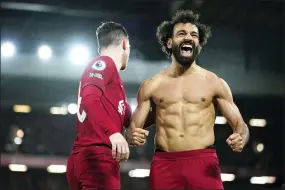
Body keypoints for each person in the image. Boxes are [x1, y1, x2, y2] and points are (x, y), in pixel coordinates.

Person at [126, 10, 250, 190]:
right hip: (165, 163)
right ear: (169, 42)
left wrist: (241, 138)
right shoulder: (152, 85)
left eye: (194, 35)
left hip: (203, 162)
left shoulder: (214, 83)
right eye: (181, 34)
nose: (188, 38)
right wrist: (131, 136)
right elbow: (132, 130)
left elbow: (241, 125)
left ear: (199, 43)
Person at [66, 22, 134, 190]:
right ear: (124, 44)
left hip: (88, 157)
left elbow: (124, 111)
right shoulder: (103, 63)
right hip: (97, 157)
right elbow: (89, 100)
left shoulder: (114, 85)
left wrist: (132, 126)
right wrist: (113, 133)